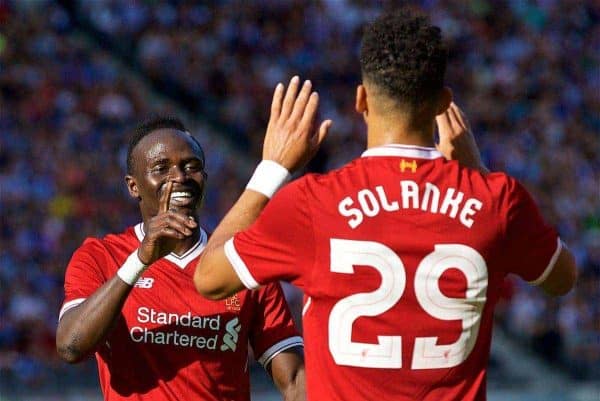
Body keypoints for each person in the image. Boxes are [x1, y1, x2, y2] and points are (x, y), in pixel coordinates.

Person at [192, 10, 577, 401]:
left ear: (361, 99)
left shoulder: (313, 203)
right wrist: (475, 170)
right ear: (444, 103)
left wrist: (272, 169)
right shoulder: (496, 200)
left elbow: (209, 279)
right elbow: (561, 279)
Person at [56, 117, 305, 401]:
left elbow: (295, 379)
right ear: (133, 186)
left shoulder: (239, 262)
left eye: (191, 166)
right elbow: (70, 346)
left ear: (205, 179)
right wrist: (140, 260)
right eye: (161, 168)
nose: (179, 177)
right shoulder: (101, 256)